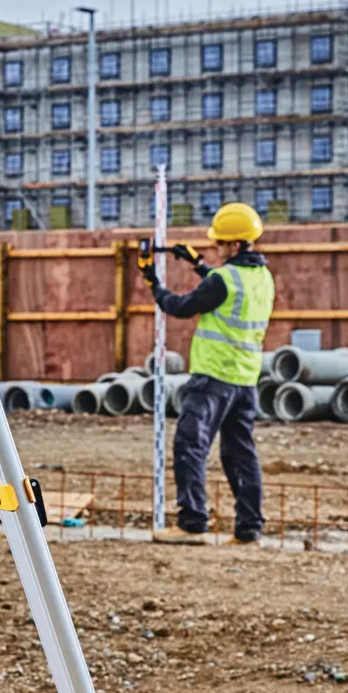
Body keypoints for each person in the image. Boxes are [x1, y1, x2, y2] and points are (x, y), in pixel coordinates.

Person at [140, 202, 275, 544]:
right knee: (240, 454)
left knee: (190, 445)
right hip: (245, 380)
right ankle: (248, 529)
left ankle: (192, 523)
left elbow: (181, 307)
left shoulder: (224, 279)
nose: (216, 248)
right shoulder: (262, 277)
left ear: (235, 245)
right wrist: (198, 264)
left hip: (214, 376)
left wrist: (153, 282)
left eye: (220, 244)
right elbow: (224, 293)